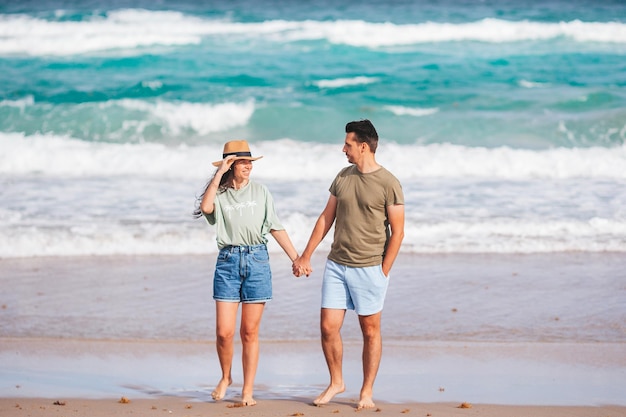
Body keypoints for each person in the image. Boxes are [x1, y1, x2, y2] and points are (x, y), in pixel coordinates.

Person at [293, 119, 404, 409]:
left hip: (370, 268)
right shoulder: (342, 176)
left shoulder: (389, 183)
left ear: (363, 146)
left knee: (370, 331)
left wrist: (384, 271)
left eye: (348, 144)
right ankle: (336, 382)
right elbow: (326, 218)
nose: (344, 149)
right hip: (337, 265)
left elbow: (398, 231)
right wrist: (306, 255)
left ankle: (366, 391)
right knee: (328, 327)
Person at [194, 140, 299, 406]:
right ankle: (226, 377)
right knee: (224, 332)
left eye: (250, 162)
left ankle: (247, 391)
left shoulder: (261, 192)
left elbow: (275, 227)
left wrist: (297, 258)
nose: (248, 166)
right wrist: (219, 174)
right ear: (230, 165)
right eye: (242, 162)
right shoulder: (219, 194)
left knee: (249, 332)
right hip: (228, 263)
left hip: (257, 261)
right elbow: (206, 208)